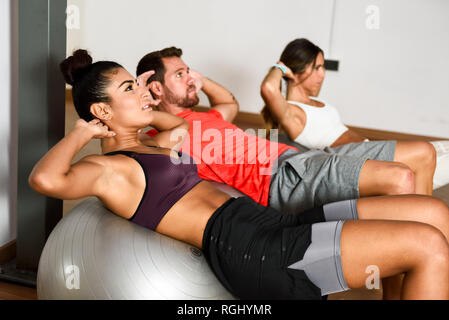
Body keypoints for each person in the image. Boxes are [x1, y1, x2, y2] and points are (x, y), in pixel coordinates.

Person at [29, 49, 449, 300]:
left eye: (138, 84)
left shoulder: (151, 143)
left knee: (432, 213)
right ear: (102, 111)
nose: (141, 91)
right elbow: (46, 180)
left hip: (269, 222)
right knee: (428, 245)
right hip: (254, 249)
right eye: (128, 89)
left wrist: (140, 105)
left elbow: (182, 127)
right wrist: (83, 131)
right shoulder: (110, 170)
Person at [136, 47, 432, 216]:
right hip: (282, 178)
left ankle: (422, 263)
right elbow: (126, 153)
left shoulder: (205, 115)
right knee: (400, 177)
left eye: (190, 71)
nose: (190, 79)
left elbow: (229, 102)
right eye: (180, 74)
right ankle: (411, 265)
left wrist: (199, 79)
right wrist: (142, 108)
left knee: (423, 153)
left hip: (304, 158)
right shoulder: (161, 138)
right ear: (156, 89)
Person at [260, 38, 448, 190]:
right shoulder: (293, 113)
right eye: (317, 68)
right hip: (362, 159)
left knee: (443, 148)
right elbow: (269, 88)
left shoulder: (315, 103)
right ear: (297, 70)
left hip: (370, 148)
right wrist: (281, 67)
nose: (323, 74)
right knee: (427, 153)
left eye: (323, 67)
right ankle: (423, 219)